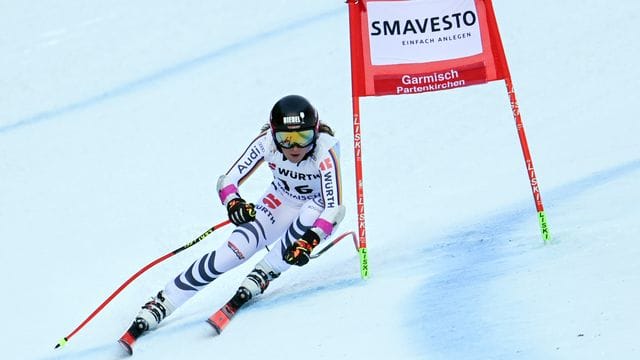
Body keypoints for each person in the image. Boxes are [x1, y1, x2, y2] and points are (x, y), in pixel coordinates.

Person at [119, 95, 345, 348]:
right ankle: (164, 300)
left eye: (303, 138)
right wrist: (234, 203)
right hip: (279, 201)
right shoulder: (266, 143)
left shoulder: (325, 152)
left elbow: (334, 208)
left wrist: (311, 239)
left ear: (315, 132)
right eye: (285, 139)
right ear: (274, 134)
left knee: (310, 216)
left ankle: (268, 268)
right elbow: (226, 181)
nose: (294, 147)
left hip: (314, 207)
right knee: (231, 253)